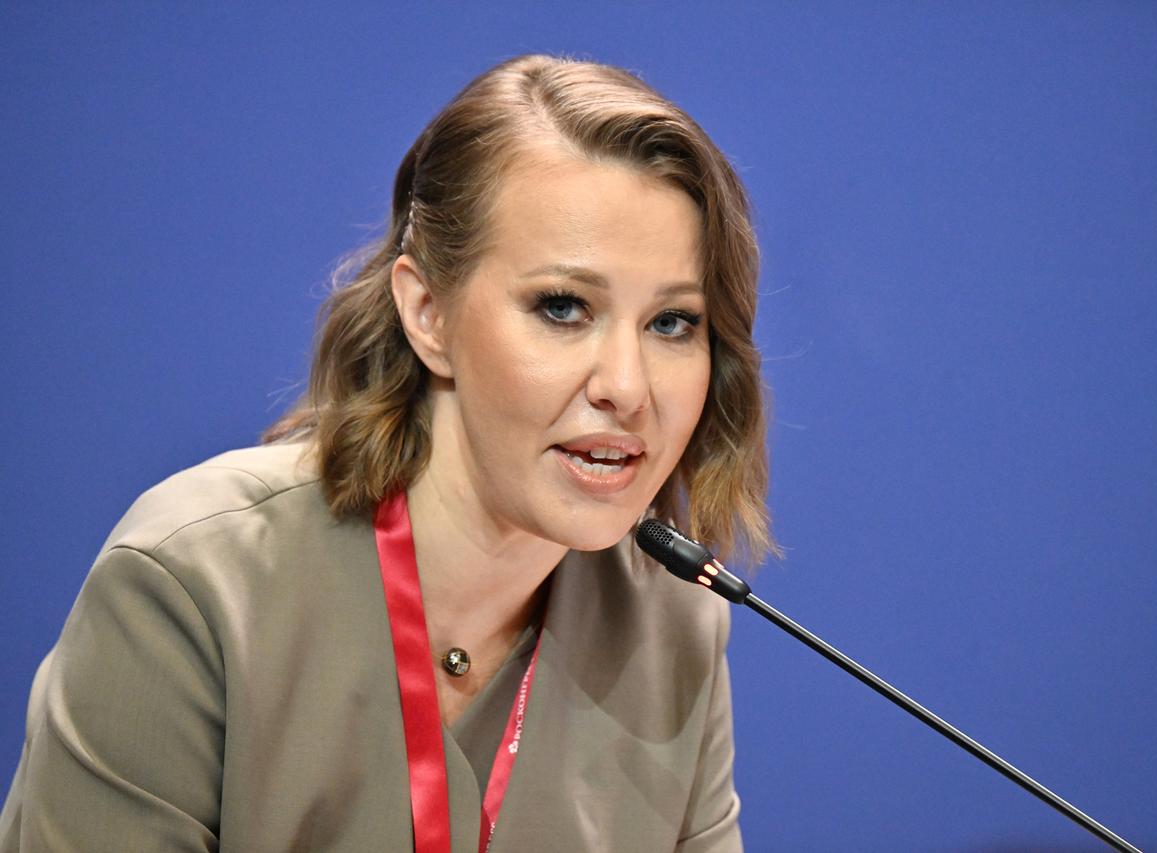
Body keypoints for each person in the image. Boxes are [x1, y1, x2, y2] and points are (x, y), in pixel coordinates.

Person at [0, 54, 773, 852]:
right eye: (563, 307)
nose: (627, 387)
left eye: (673, 323)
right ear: (428, 312)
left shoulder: (676, 626)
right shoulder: (190, 586)